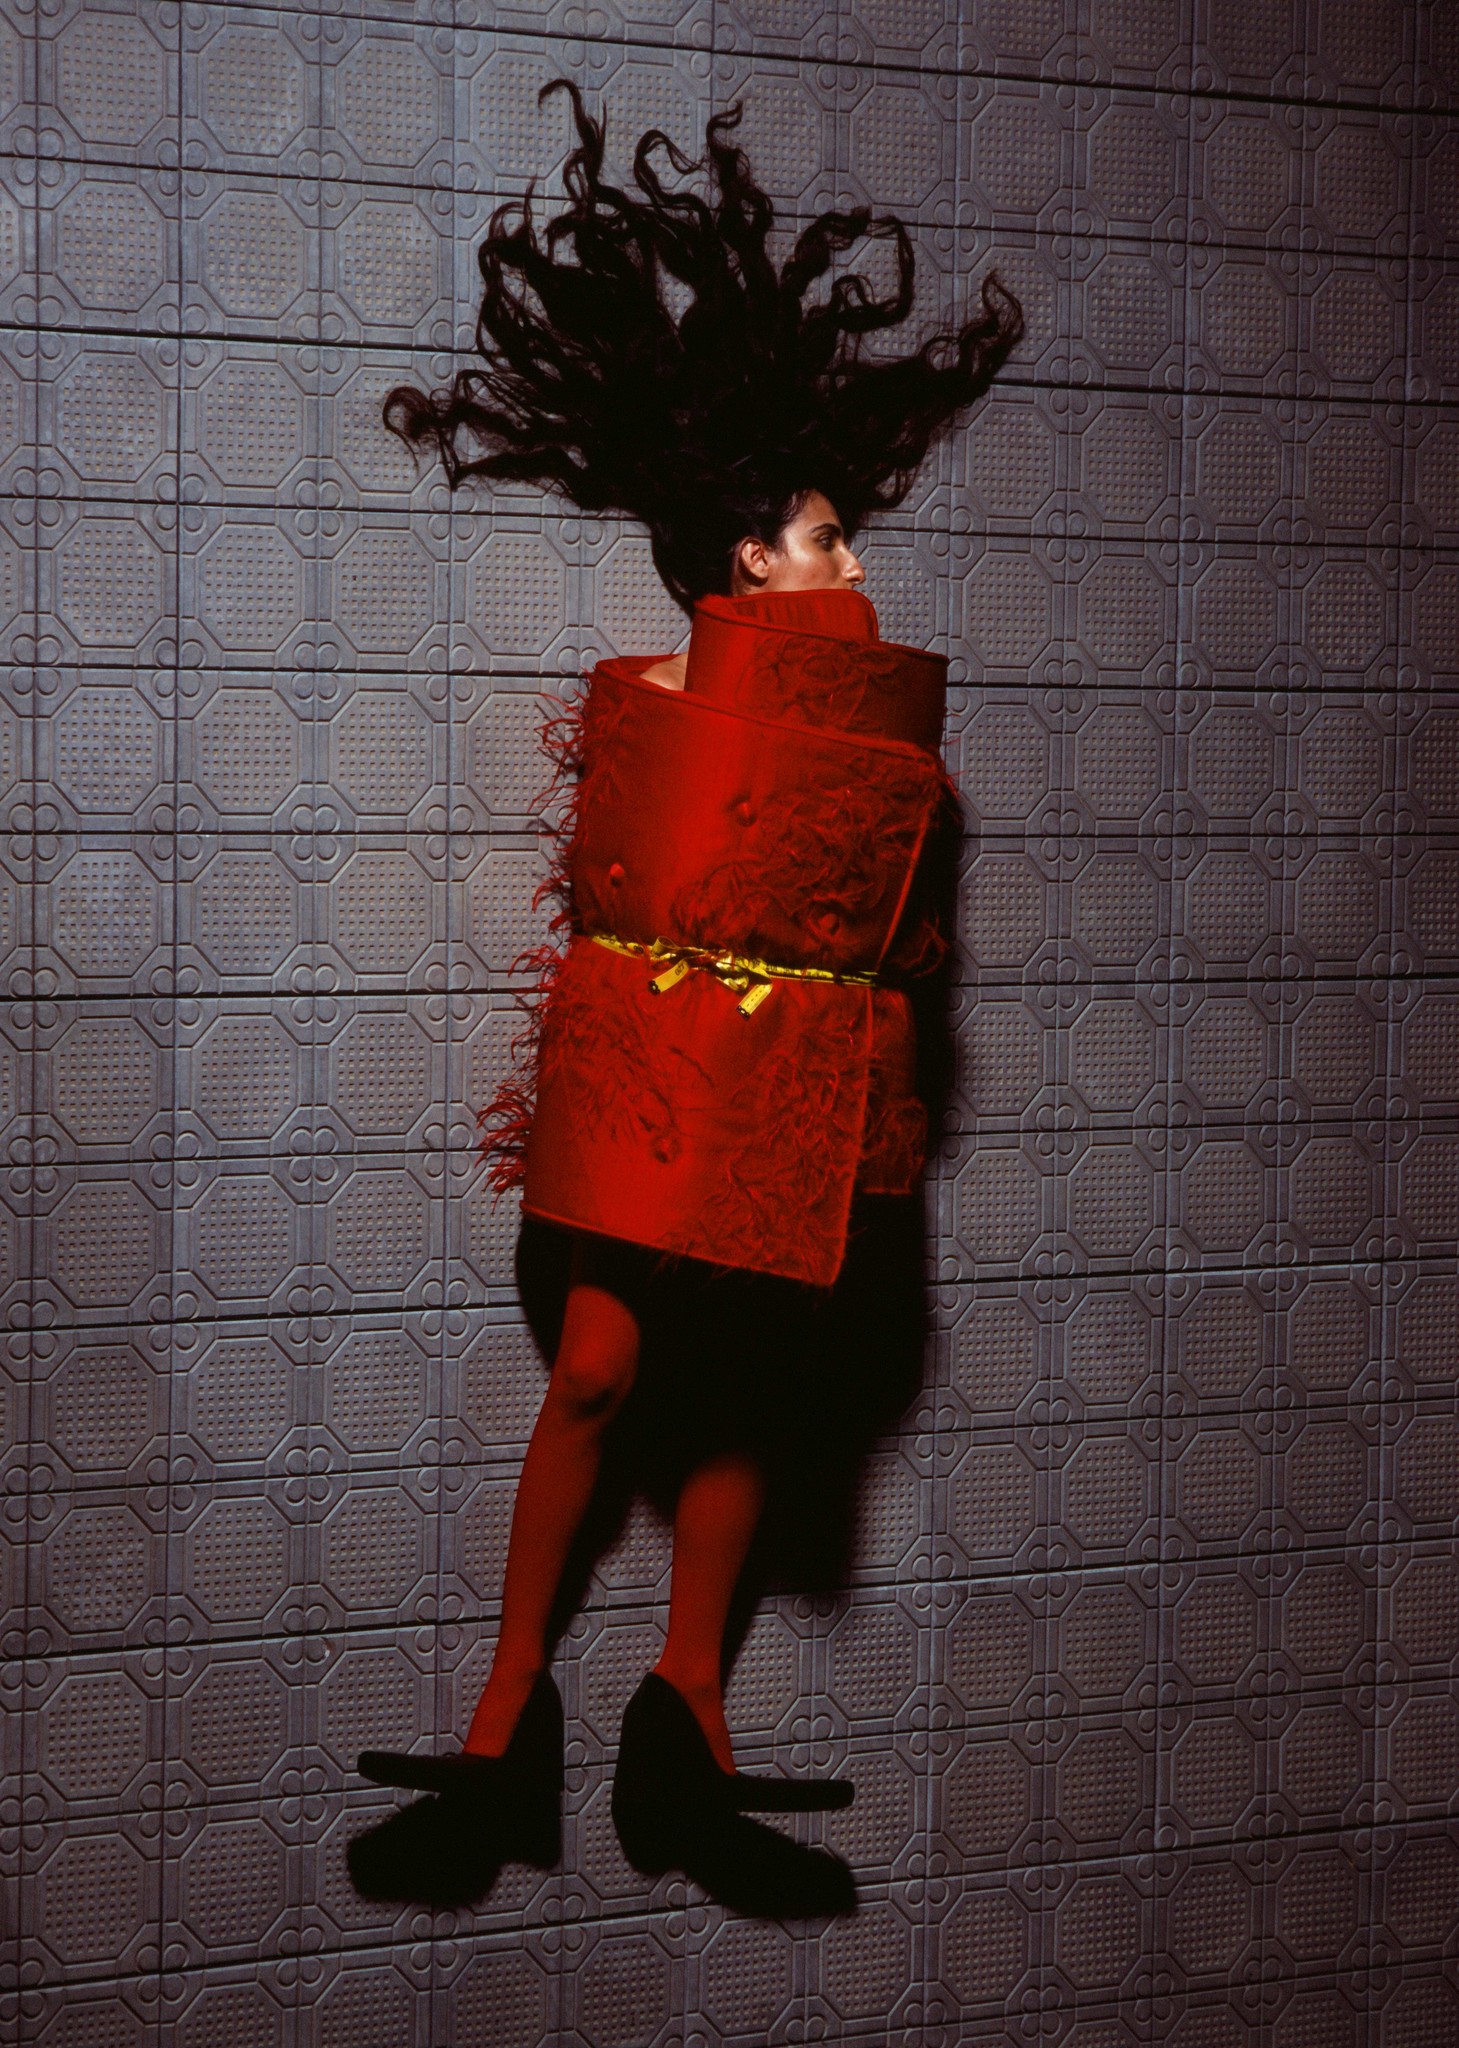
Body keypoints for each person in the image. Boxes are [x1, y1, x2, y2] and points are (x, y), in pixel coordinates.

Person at [355, 82, 1021, 1904]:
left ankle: (689, 1727)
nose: (852, 563)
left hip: (781, 1089)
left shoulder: (885, 735)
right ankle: (506, 1731)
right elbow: (635, 887)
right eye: (826, 540)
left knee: (735, 1392)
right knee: (599, 1369)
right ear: (750, 559)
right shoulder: (646, 702)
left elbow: (880, 914)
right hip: (651, 1084)